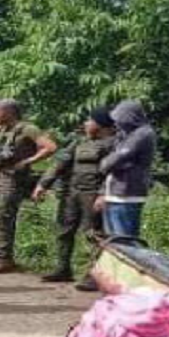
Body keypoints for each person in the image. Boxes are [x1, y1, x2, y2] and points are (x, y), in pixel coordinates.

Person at [34, 107, 114, 286]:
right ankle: (62, 268)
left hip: (92, 193)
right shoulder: (78, 142)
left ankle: (94, 275)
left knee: (93, 234)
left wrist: (103, 193)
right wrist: (42, 184)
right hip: (72, 192)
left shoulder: (112, 144)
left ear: (100, 124)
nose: (85, 123)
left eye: (89, 120)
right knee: (64, 230)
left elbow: (112, 173)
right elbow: (59, 163)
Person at [0, 98, 57, 274]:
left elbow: (50, 147)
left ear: (8, 112)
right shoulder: (0, 133)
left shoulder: (27, 129)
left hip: (13, 179)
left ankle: (3, 259)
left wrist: (28, 161)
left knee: (1, 216)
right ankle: (4, 257)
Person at [95, 99, 156, 241]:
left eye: (120, 118)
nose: (117, 123)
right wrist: (103, 192)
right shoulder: (124, 135)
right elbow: (109, 164)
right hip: (113, 194)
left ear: (129, 117)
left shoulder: (143, 134)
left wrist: (110, 163)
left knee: (126, 242)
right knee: (113, 242)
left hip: (128, 195)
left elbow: (112, 161)